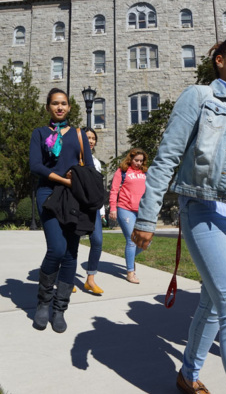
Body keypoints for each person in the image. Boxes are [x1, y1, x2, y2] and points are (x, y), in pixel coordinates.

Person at [132, 38, 226, 394]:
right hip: (206, 210)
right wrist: (147, 217)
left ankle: (187, 373)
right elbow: (167, 156)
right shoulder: (199, 97)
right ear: (219, 60)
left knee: (214, 303)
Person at [30, 88, 94, 333]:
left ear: (69, 107)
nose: (59, 107)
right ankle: (43, 303)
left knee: (70, 253)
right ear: (48, 107)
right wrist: (63, 179)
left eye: (64, 103)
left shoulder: (78, 134)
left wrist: (74, 182)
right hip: (48, 192)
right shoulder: (40, 133)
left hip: (74, 196)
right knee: (56, 248)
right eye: (55, 103)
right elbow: (35, 165)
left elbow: (88, 166)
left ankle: (60, 308)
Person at [109, 148, 148, 284]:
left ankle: (129, 257)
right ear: (130, 159)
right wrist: (113, 208)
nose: (138, 163)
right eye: (136, 160)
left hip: (142, 210)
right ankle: (130, 272)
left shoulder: (145, 172)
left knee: (146, 242)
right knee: (132, 240)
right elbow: (114, 190)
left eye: (141, 161)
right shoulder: (122, 172)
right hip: (125, 209)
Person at [79, 127, 106, 294]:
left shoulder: (96, 162)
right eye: (87, 137)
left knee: (97, 241)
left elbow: (97, 188)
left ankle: (90, 279)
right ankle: (66, 279)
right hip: (76, 206)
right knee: (71, 243)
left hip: (93, 207)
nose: (90, 140)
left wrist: (101, 209)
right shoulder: (73, 157)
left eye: (93, 138)